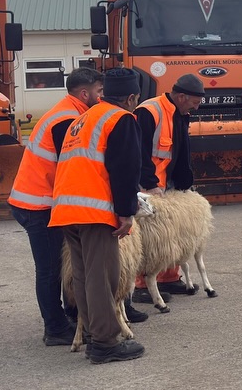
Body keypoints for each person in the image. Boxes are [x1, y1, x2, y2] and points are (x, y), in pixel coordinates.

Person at [48, 67, 146, 364]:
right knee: (104, 275)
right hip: (93, 209)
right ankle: (105, 343)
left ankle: (92, 332)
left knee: (83, 275)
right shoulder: (121, 119)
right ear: (131, 98)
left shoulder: (83, 118)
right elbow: (125, 169)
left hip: (66, 208)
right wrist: (127, 212)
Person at [8, 66, 105, 345]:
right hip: (37, 206)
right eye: (99, 92)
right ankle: (54, 329)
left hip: (38, 202)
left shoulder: (68, 112)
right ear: (85, 93)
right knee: (50, 268)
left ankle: (67, 316)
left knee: (60, 265)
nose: (102, 97)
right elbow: (73, 166)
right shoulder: (68, 120)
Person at [131, 72, 206, 306]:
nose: (195, 108)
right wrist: (149, 184)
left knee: (171, 233)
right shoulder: (149, 111)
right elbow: (138, 151)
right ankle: (142, 284)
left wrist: (185, 183)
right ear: (181, 96)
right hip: (150, 185)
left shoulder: (180, 113)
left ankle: (169, 278)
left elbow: (180, 150)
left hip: (170, 183)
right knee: (151, 237)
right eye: (194, 103)